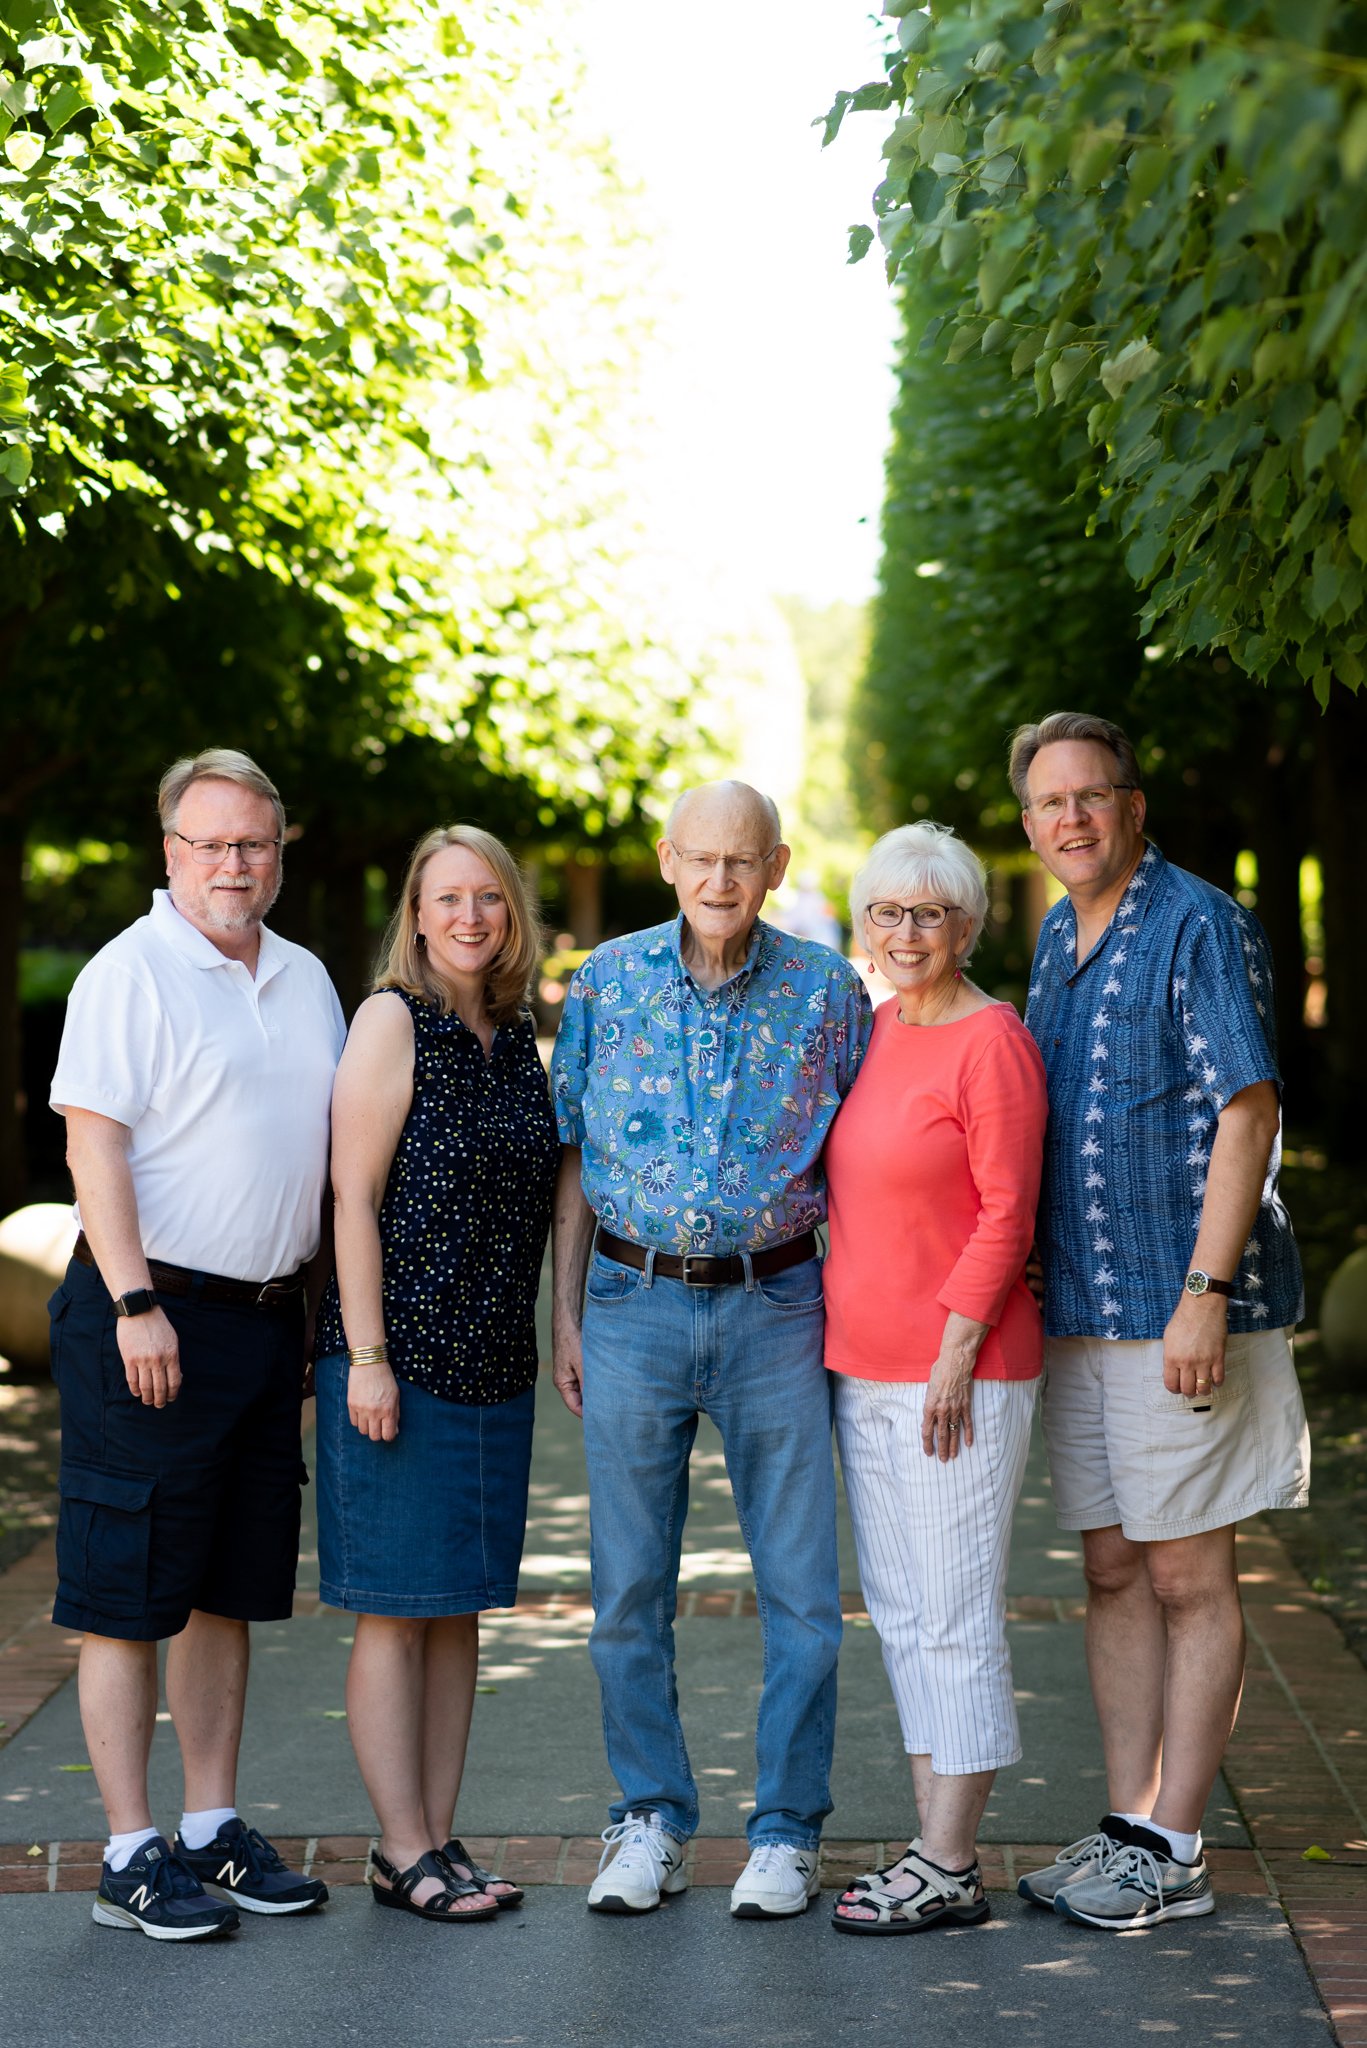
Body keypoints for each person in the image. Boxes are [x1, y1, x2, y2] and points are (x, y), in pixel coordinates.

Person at [550, 780, 872, 1919]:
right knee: (627, 1590)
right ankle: (648, 1816)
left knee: (798, 1588)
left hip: (778, 1306)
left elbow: (866, 1159)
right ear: (666, 859)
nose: (721, 880)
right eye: (701, 859)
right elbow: (573, 1154)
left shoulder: (829, 991)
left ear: (776, 866)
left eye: (743, 860)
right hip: (631, 1301)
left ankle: (785, 1828)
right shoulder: (605, 980)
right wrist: (567, 1312)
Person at [1010, 711, 1309, 1931]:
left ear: (1133, 804)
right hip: (1080, 1309)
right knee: (1111, 1566)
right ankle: (1129, 1821)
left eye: (1091, 794)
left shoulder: (1197, 919)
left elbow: (1246, 1112)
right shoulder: (1049, 935)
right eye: (1048, 802)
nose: (1070, 817)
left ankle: (1177, 1839)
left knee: (1187, 1571)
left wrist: (1203, 1291)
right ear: (1028, 826)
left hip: (1179, 1307)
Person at [48, 748, 346, 1940]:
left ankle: (211, 1829)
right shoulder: (129, 973)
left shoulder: (309, 975)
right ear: (169, 851)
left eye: (256, 843)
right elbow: (92, 1148)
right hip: (150, 1318)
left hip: (268, 1325)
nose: (236, 862)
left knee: (226, 1591)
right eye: (214, 842)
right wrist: (132, 1302)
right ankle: (128, 1851)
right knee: (123, 1593)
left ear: (279, 853)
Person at [313, 825, 558, 1924]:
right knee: (394, 1611)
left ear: (511, 913)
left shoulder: (512, 1032)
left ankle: (437, 1838)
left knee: (458, 1611)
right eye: (447, 898)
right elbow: (349, 1199)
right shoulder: (389, 1020)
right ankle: (398, 1843)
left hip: (493, 1365)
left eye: (488, 899)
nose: (469, 916)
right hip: (397, 1365)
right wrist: (366, 1356)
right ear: (415, 915)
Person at [820, 823, 1047, 1935]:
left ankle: (948, 1859)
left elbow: (1007, 1210)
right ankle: (930, 1849)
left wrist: (955, 1352)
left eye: (928, 914)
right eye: (886, 912)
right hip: (861, 1369)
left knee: (953, 1612)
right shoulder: (871, 1033)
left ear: (966, 924)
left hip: (959, 1373)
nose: (905, 933)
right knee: (905, 1613)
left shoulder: (989, 1039)